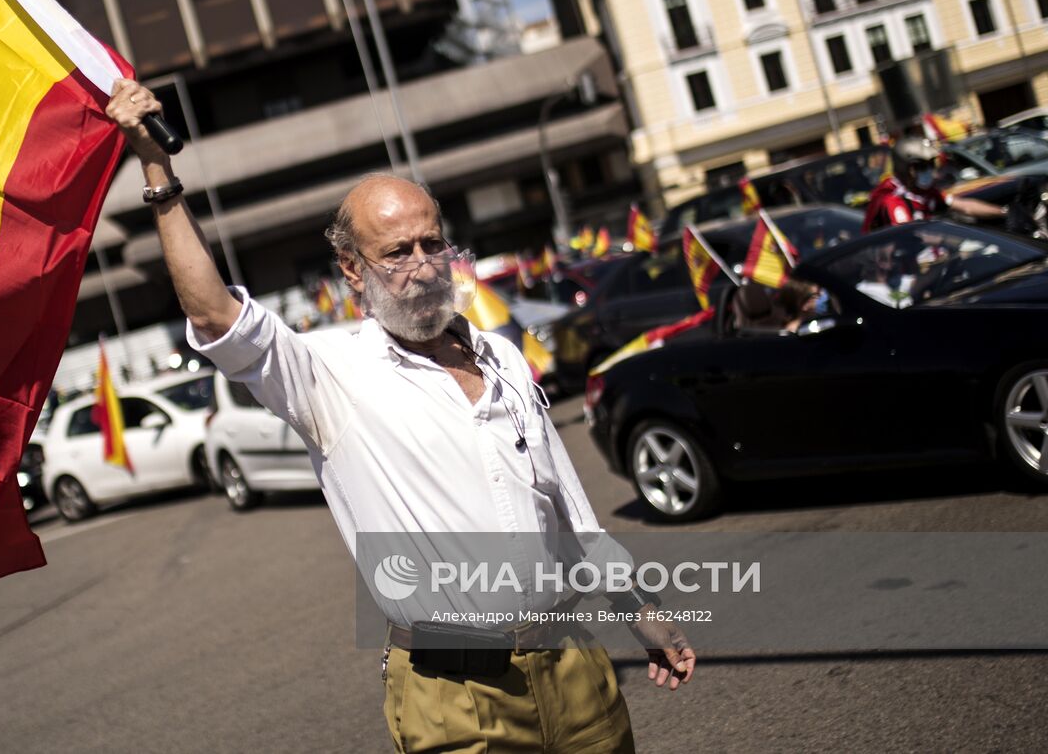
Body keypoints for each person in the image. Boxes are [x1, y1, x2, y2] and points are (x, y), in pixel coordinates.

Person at [105, 78, 694, 753]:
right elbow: (215, 316)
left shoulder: (500, 353)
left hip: (574, 668)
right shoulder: (328, 373)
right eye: (396, 252)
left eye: (430, 244)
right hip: (455, 699)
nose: (422, 265)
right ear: (352, 271)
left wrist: (640, 611)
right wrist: (159, 172)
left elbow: (571, 512)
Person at [863, 136, 1005, 232]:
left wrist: (1004, 212)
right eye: (921, 166)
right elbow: (914, 236)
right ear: (904, 168)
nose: (929, 171)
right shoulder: (892, 200)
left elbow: (965, 206)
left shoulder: (922, 192)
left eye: (931, 164)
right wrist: (957, 241)